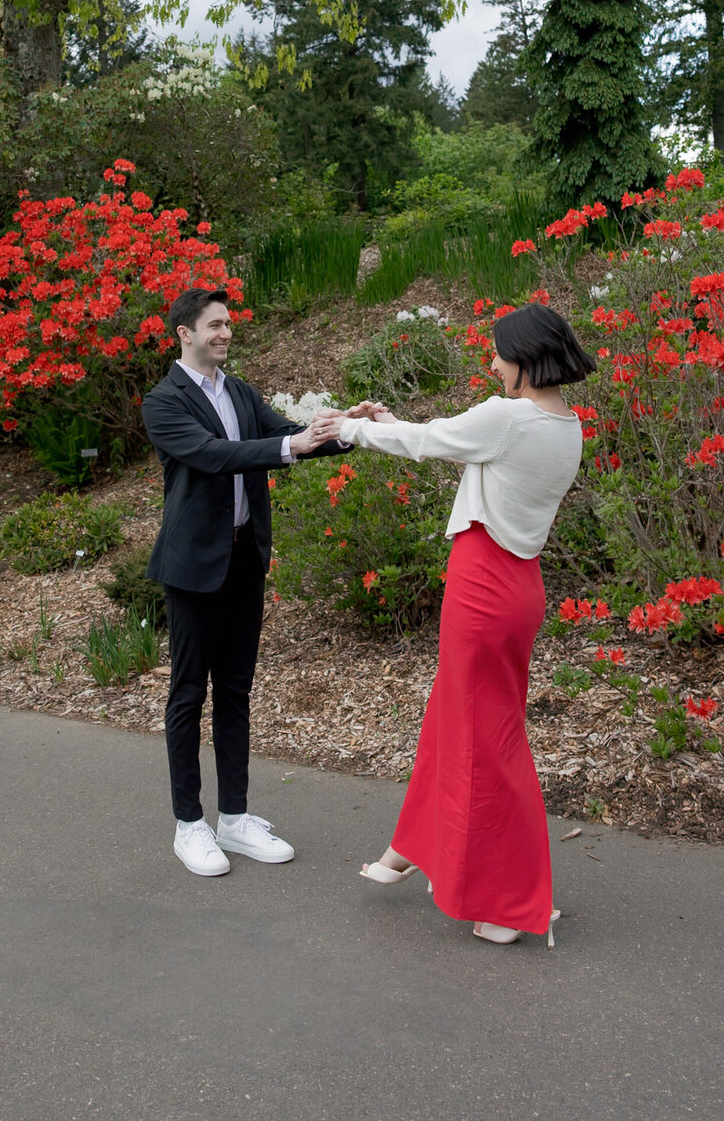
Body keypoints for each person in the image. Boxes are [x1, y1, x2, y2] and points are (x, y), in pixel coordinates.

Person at [308, 301, 596, 946]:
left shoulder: (509, 417)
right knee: (454, 717)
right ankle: (411, 846)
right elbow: (443, 437)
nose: (492, 364)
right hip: (517, 585)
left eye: (499, 354)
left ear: (524, 358)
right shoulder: (565, 423)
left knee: (486, 739)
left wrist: (351, 431)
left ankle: (509, 903)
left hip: (484, 584)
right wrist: (391, 422)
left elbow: (429, 442)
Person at [143, 286, 347, 878]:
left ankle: (234, 820)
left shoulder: (240, 391)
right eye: (214, 325)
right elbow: (213, 455)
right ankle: (190, 826)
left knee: (235, 692)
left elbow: (292, 438)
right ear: (185, 332)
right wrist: (290, 443)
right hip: (192, 569)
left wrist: (344, 428)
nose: (226, 332)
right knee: (189, 695)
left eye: (228, 323)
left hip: (242, 560)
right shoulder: (165, 401)